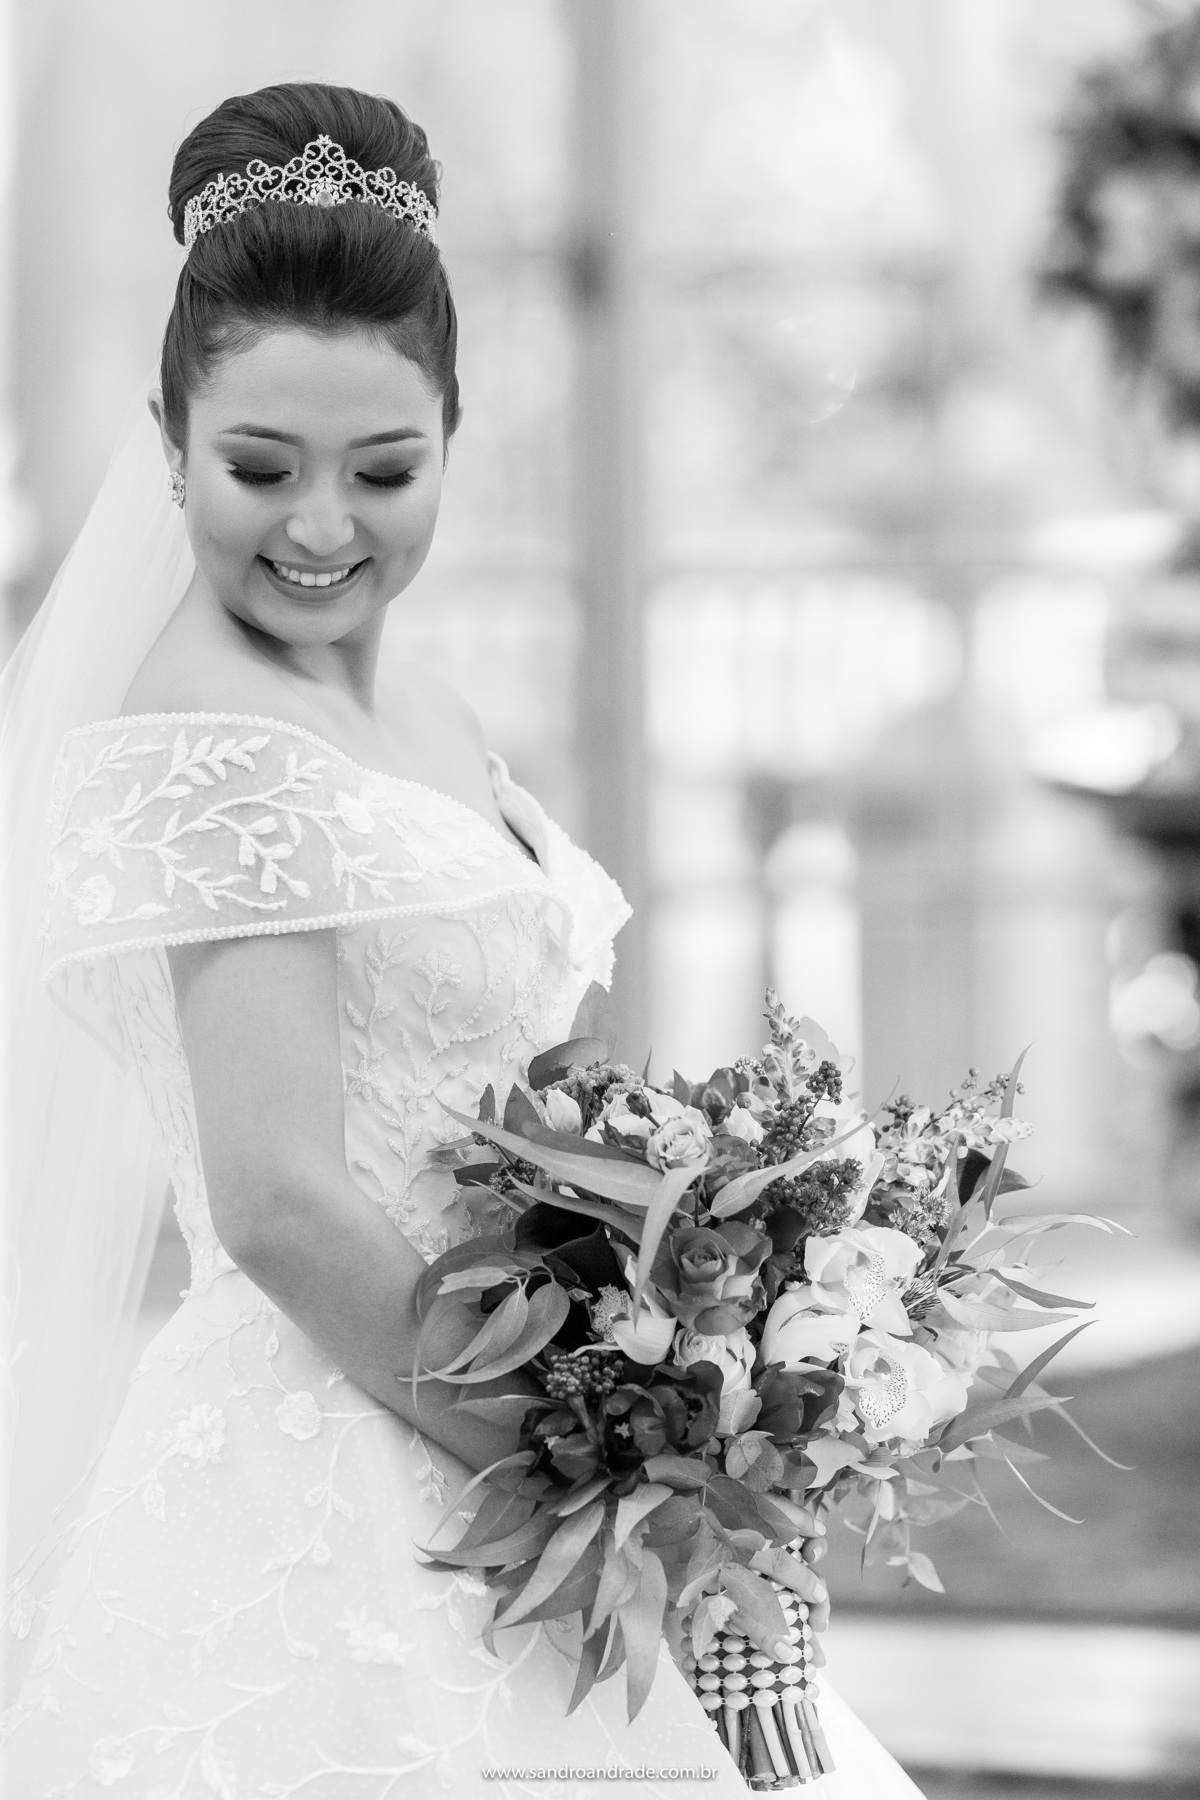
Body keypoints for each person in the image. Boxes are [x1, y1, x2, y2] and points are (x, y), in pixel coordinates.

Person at [0, 83, 925, 1796]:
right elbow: (282, 1202)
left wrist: (712, 1322)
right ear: (165, 436)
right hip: (348, 1463)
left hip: (506, 1409)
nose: (323, 529)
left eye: (385, 469)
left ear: (455, 428)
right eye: (258, 467)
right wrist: (634, 1507)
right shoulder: (214, 739)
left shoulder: (410, 691)